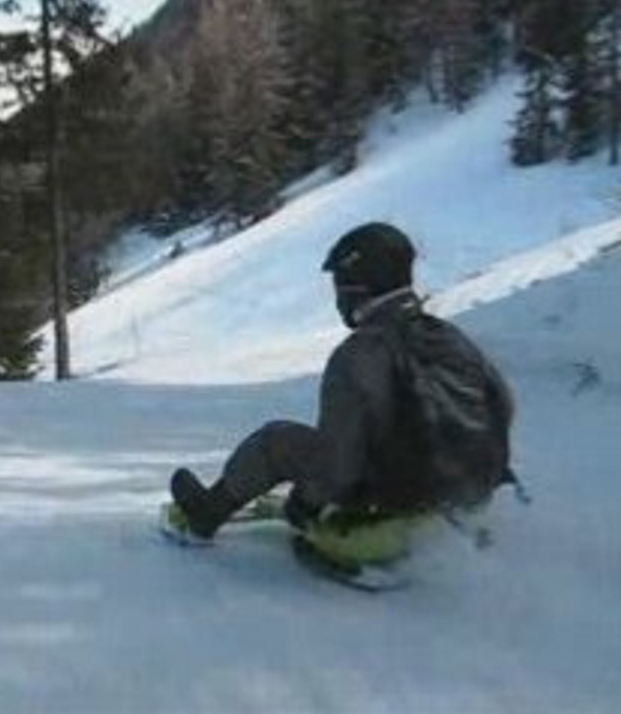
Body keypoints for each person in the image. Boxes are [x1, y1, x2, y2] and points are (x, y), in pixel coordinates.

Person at [169, 222, 516, 567]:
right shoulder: (450, 337)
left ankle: (205, 515)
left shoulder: (359, 355)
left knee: (274, 441)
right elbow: (502, 404)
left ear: (356, 287)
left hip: (393, 496)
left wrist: (305, 504)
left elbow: (340, 464)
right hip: (468, 491)